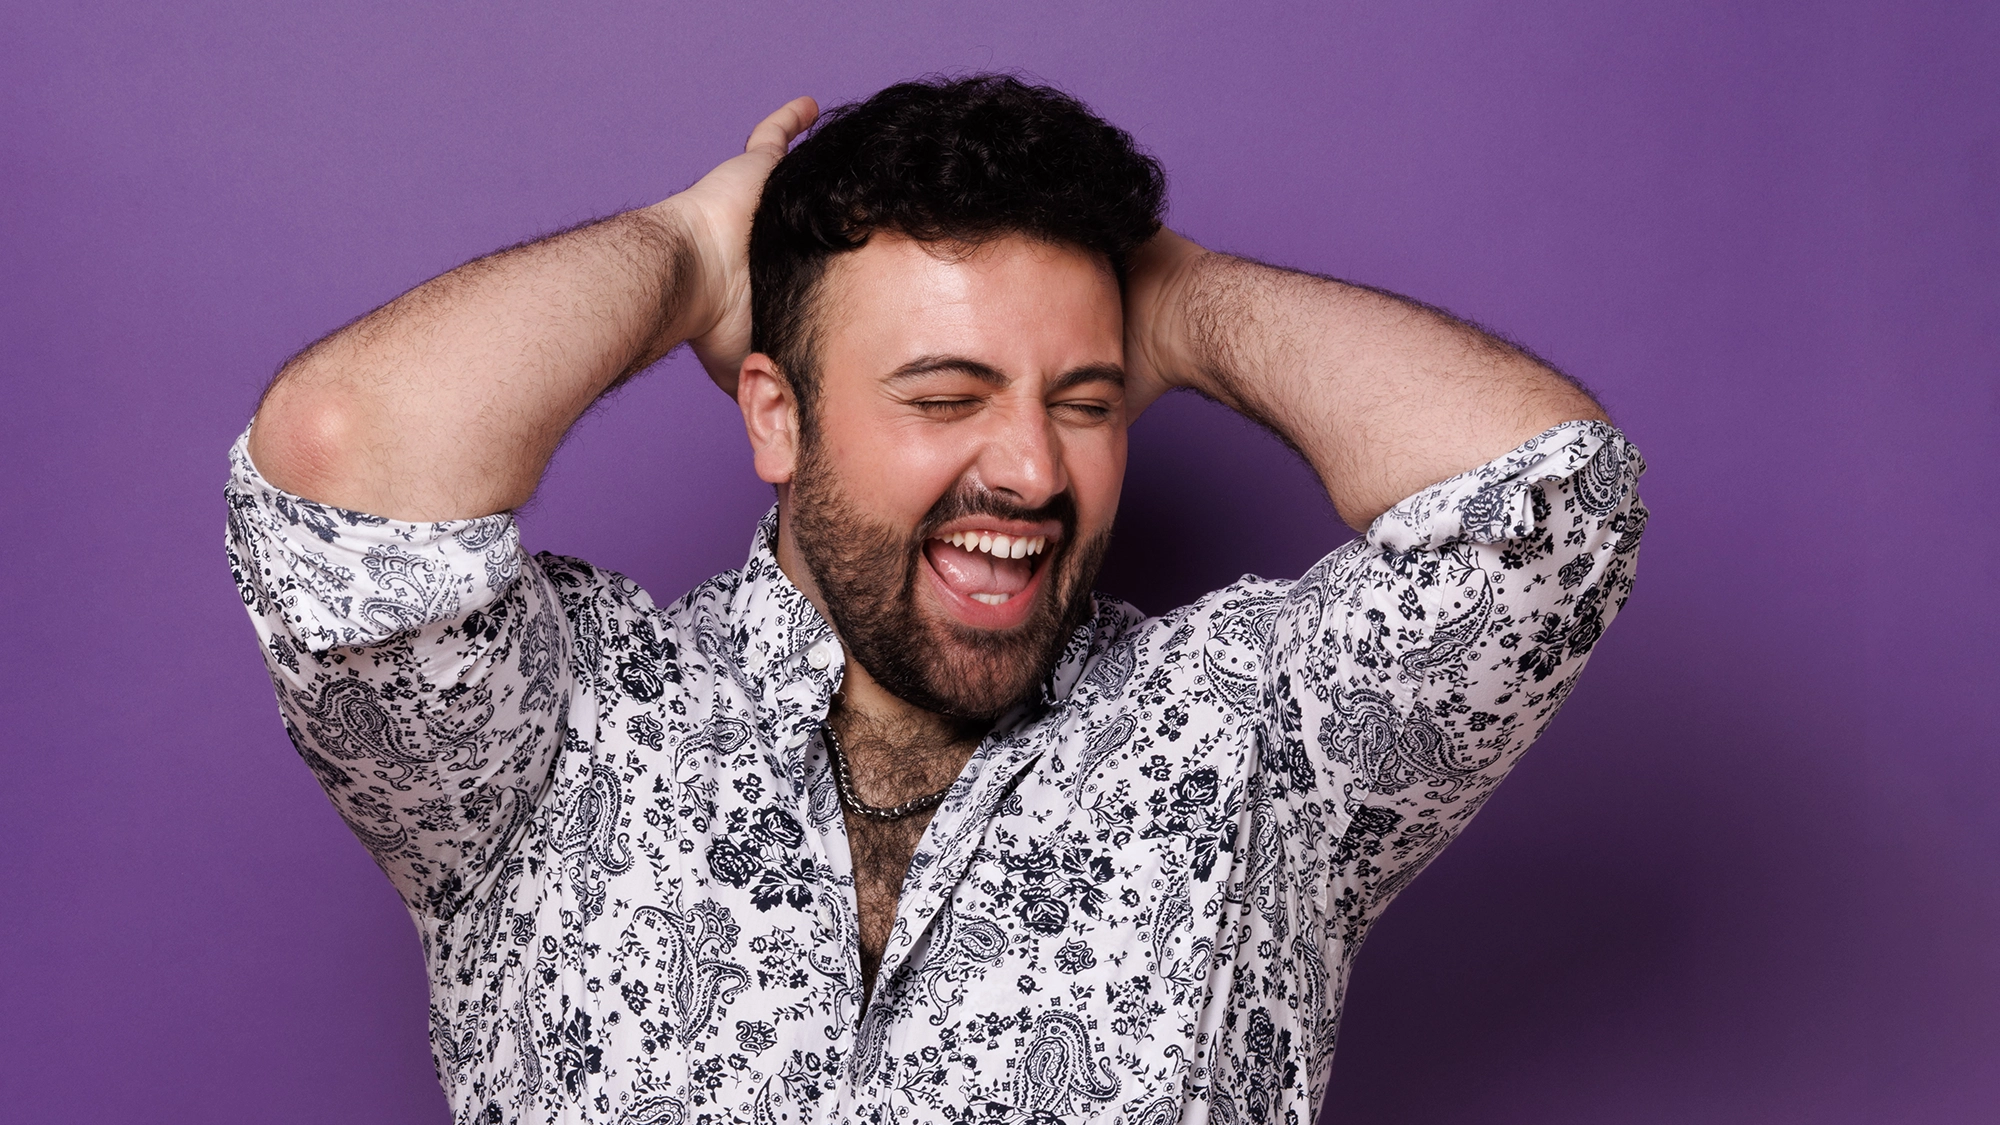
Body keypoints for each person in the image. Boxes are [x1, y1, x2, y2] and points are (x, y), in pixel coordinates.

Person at [226, 75, 1645, 1125]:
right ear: (776, 420)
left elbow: (1547, 504)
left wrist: (1180, 301)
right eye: (947, 395)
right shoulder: (549, 738)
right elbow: (348, 459)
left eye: (1085, 401)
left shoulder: (1259, 746)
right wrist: (694, 257)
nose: (1030, 467)